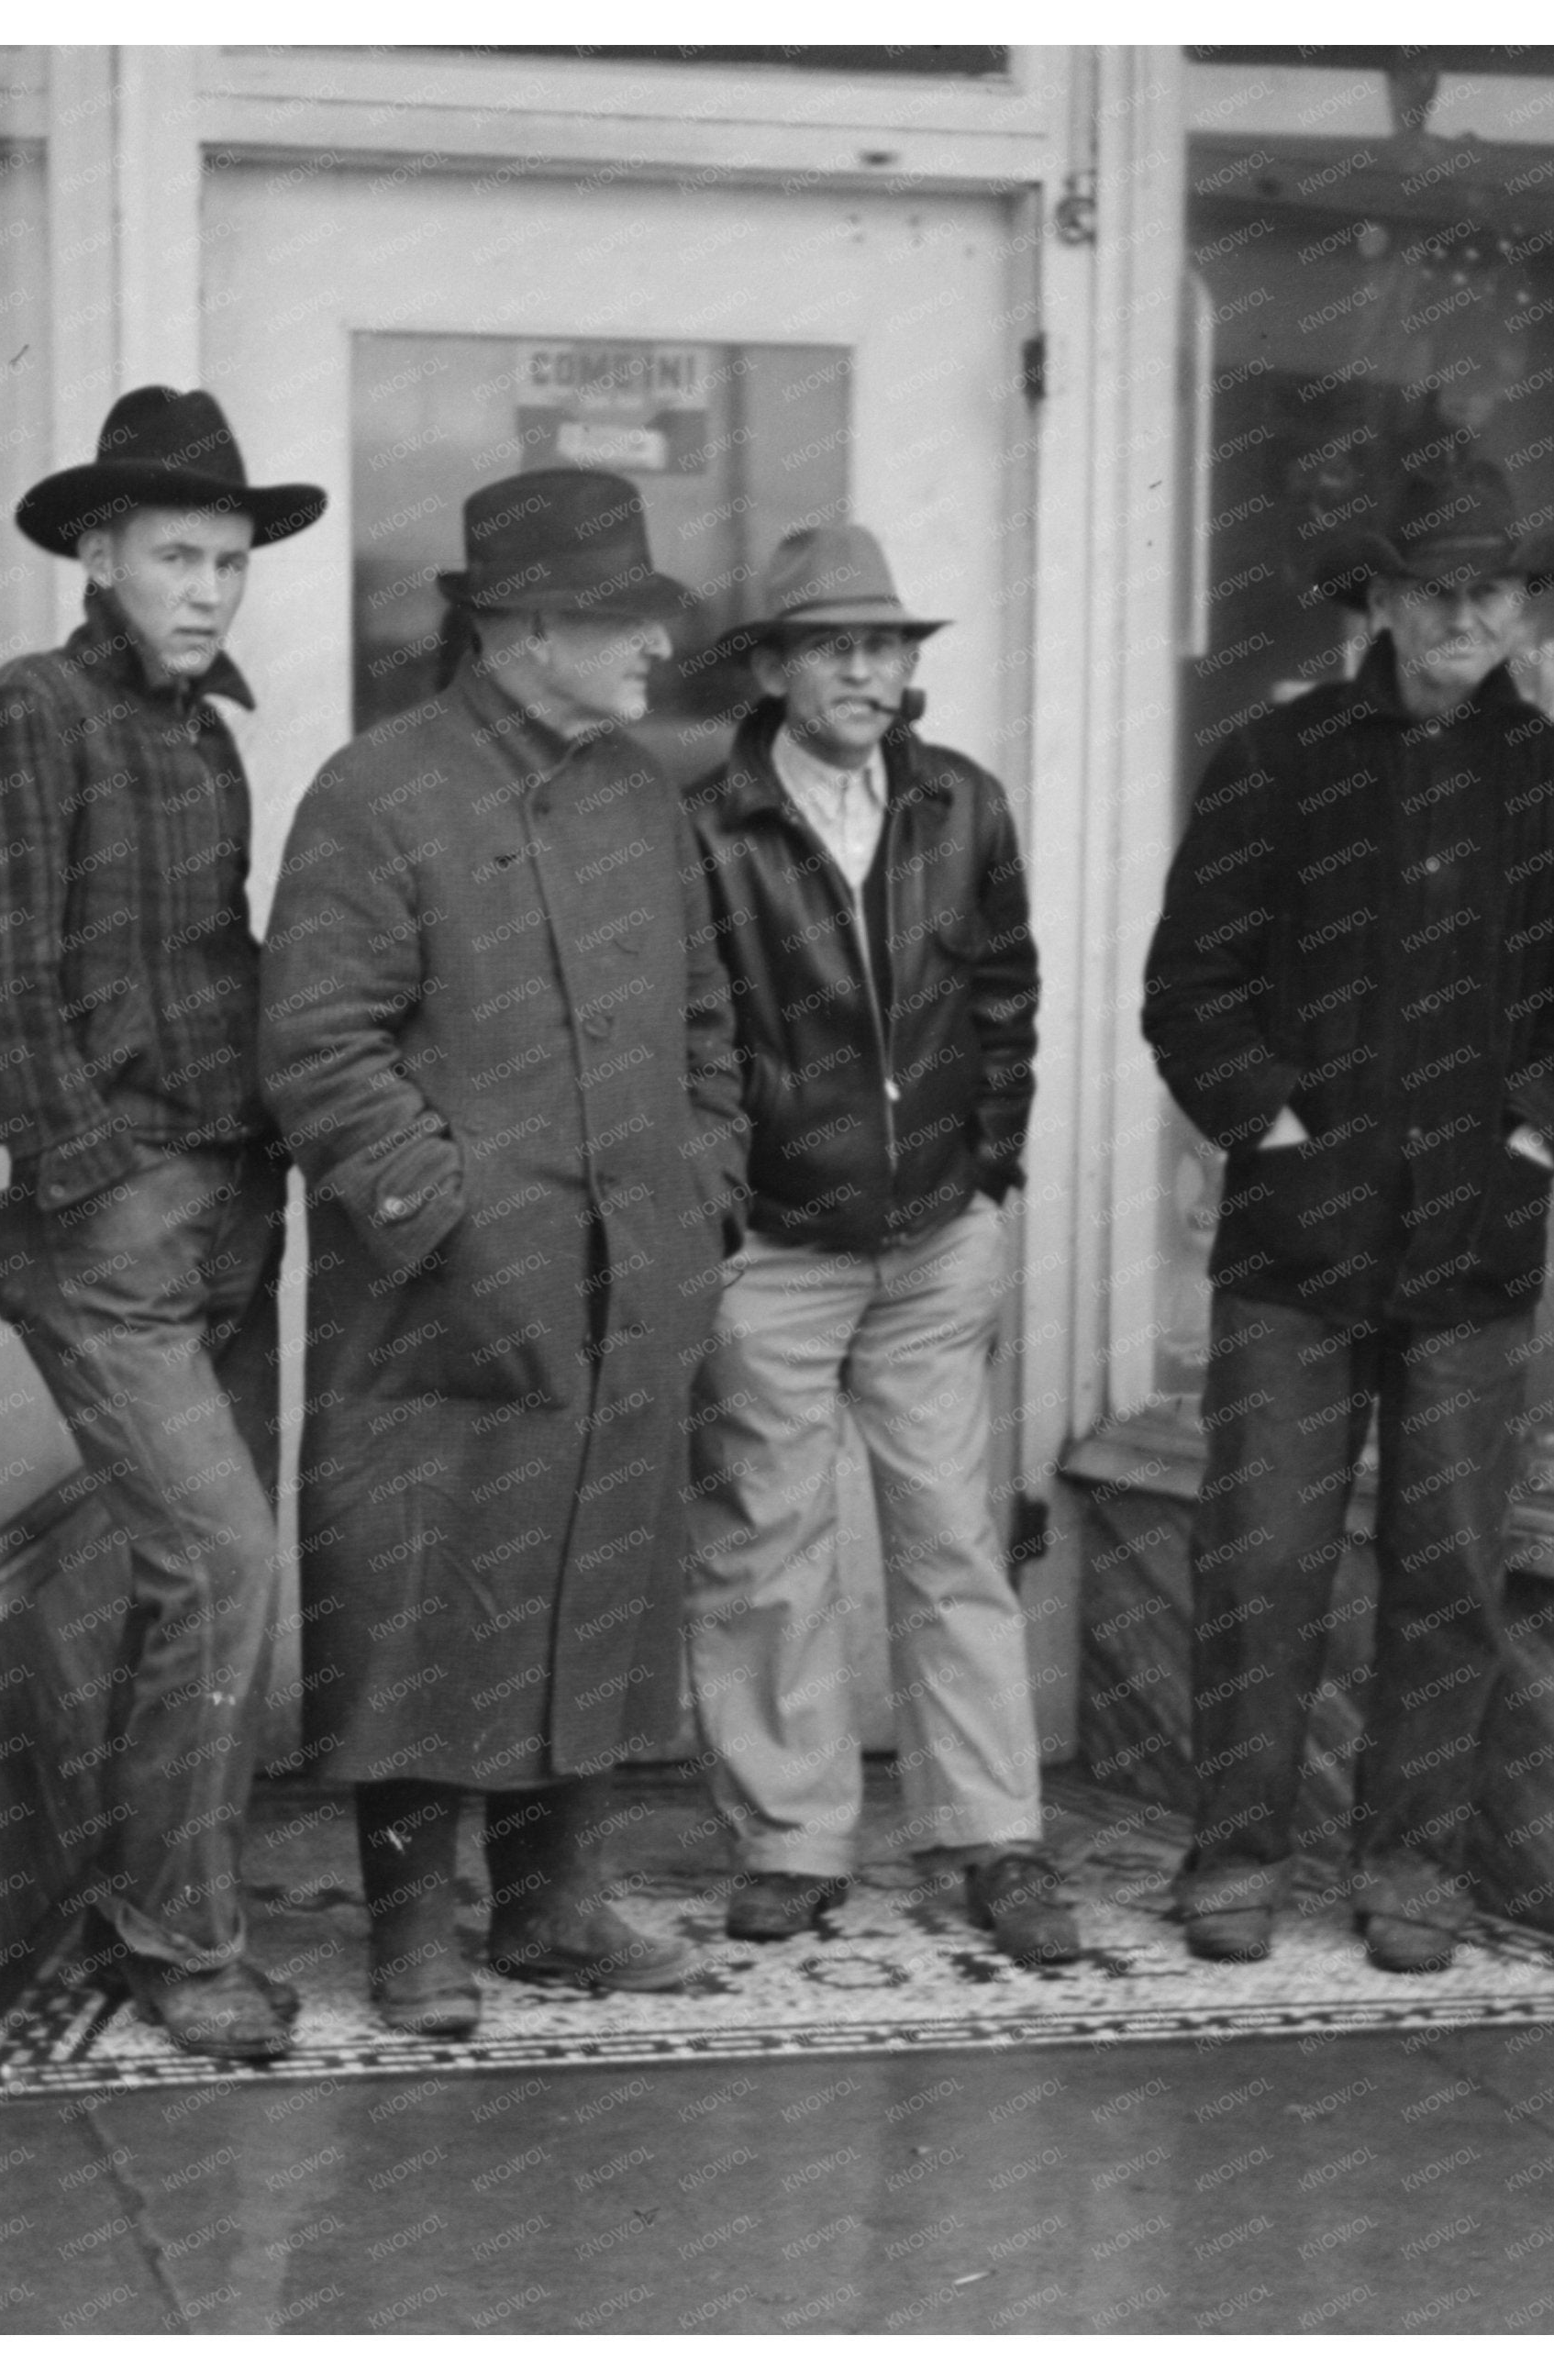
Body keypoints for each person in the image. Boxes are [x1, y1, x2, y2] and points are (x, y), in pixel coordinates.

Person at [1139, 457, 1554, 1973]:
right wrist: (1274, 1131)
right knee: (1261, 1560)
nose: (1469, 617)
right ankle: (1232, 1854)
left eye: (1497, 592)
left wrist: (1518, 1146)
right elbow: (1190, 991)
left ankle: (1411, 1867)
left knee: (1448, 1570)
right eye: (1438, 589)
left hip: (1470, 1256)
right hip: (1295, 1250)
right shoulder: (1274, 764)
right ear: (1378, 598)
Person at [260, 469, 749, 2041]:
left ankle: (552, 1906)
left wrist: (701, 1199)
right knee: (417, 1601)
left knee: (593, 1585)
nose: (656, 654)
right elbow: (318, 1050)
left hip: (627, 1287)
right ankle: (413, 1929)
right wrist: (448, 1216)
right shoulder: (377, 791)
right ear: (529, 628)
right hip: (439, 1306)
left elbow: (704, 1032)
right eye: (630, 623)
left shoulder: (636, 798)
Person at [0, 386, 325, 2060]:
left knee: (201, 1579)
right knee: (218, 1558)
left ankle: (144, 1885)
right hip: (116, 1229)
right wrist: (88, 1173)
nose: (208, 591)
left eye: (230, 562)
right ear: (98, 554)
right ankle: (181, 1934)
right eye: (178, 555)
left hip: (236, 1209)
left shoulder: (205, 736)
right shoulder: (34, 713)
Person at [678, 527, 1075, 1965]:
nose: (868, 669)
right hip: (775, 1247)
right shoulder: (707, 819)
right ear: (774, 668)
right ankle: (790, 1838)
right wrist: (721, 1208)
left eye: (889, 645)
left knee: (954, 1537)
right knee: (763, 1545)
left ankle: (989, 1836)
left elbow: (1006, 993)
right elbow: (691, 1035)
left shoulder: (958, 802)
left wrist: (989, 1166)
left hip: (931, 1238)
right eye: (834, 645)